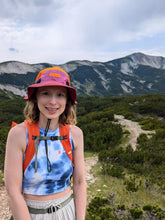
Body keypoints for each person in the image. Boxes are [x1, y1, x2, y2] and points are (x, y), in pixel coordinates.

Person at [4, 67, 86, 220]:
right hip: (30, 215)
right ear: (35, 97)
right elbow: (12, 192)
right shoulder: (19, 134)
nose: (53, 102)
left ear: (67, 100)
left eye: (60, 95)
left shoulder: (75, 134)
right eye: (46, 93)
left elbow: (80, 182)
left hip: (67, 212)